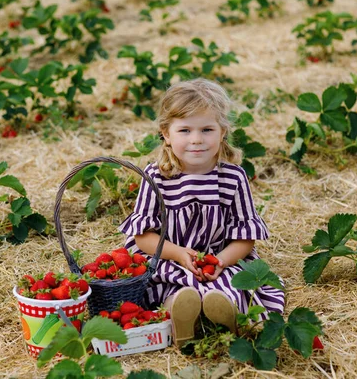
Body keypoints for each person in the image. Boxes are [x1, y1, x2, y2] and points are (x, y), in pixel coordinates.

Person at [118, 78, 285, 347]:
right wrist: (178, 254)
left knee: (234, 283)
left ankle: (225, 312)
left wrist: (221, 261)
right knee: (155, 284)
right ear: (166, 133)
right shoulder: (156, 177)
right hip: (167, 255)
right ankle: (179, 311)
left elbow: (244, 237)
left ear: (222, 132)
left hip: (218, 258)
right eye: (185, 130)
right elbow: (143, 238)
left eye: (207, 129)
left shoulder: (233, 178)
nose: (197, 140)